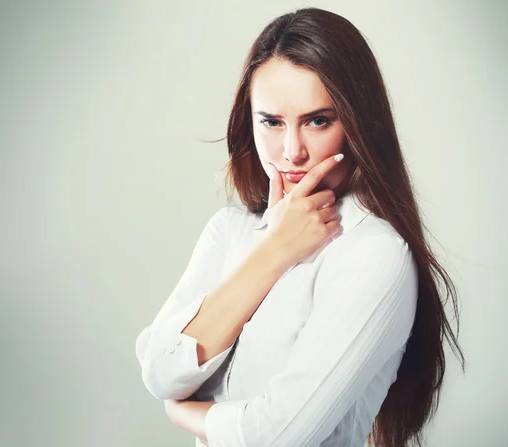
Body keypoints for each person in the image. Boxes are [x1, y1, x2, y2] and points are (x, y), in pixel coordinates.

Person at [135, 7, 465, 447]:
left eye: (318, 121)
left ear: (356, 123)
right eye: (271, 122)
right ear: (248, 121)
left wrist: (188, 415)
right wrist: (274, 252)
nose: (292, 152)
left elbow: (280, 435)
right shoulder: (228, 231)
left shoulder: (373, 253)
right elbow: (160, 370)